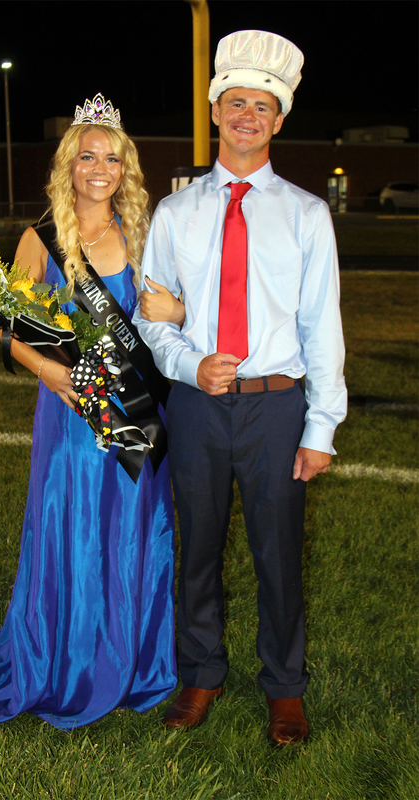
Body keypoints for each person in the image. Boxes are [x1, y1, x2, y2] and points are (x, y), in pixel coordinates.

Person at [134, 31, 347, 744]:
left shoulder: (308, 214)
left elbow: (322, 328)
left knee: (278, 552)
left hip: (277, 406)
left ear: (278, 120)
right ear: (216, 110)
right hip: (197, 405)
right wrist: (190, 365)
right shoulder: (177, 213)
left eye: (263, 105)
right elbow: (153, 317)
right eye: (236, 102)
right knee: (196, 546)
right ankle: (201, 672)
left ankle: (284, 687)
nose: (248, 114)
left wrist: (320, 428)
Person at [0, 94, 184, 730]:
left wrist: (180, 315)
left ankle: (132, 662)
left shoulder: (143, 233)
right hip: (69, 411)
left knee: (134, 530)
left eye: (111, 156)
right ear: (68, 166)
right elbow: (11, 329)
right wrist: (54, 372)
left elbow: (176, 315)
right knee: (72, 528)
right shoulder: (41, 236)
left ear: (125, 167)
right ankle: (64, 660)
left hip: (134, 409)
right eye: (87, 155)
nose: (99, 167)